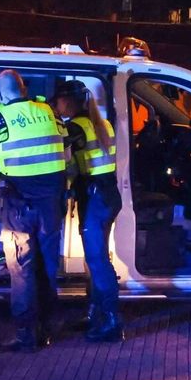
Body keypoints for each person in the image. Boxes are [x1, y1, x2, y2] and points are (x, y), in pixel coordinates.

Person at [0, 70, 68, 352]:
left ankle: (26, 335)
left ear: (0, 94)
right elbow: (65, 152)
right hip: (51, 205)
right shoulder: (48, 112)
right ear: (24, 90)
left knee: (22, 270)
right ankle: (48, 327)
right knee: (48, 267)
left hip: (18, 207)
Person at [53, 80, 123, 342]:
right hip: (105, 195)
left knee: (97, 260)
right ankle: (95, 314)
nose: (55, 105)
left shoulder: (75, 127)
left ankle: (112, 321)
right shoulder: (100, 122)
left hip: (95, 197)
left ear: (68, 101)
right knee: (95, 258)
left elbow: (63, 160)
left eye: (58, 100)